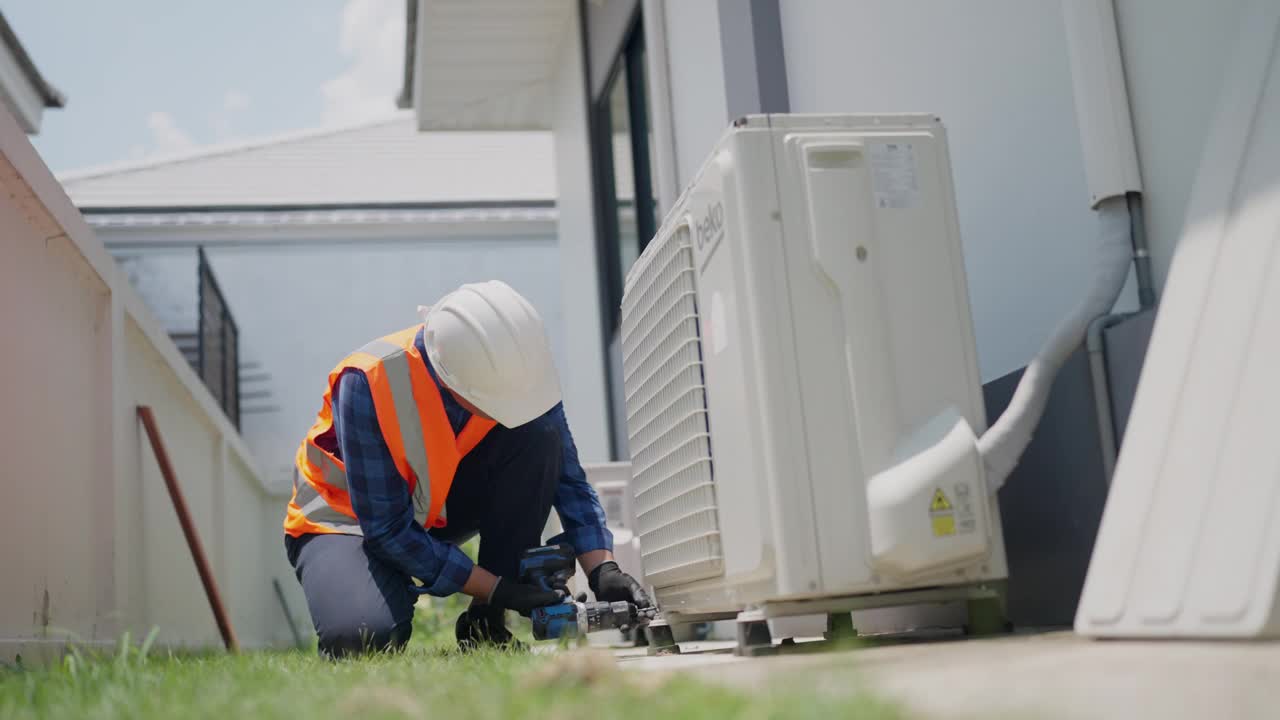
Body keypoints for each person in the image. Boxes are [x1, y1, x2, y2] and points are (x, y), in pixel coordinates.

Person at [282, 280, 650, 656]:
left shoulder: (519, 370)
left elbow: (568, 478)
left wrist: (603, 569)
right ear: (447, 378)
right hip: (344, 520)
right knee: (361, 638)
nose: (502, 411)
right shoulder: (368, 381)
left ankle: (484, 622)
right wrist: (498, 586)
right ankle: (382, 590)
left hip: (433, 507)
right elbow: (387, 529)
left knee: (540, 435)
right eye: (490, 403)